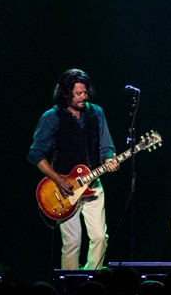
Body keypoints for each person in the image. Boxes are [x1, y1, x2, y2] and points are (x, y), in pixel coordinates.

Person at [27, 68, 119, 270]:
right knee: (72, 243)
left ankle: (90, 280)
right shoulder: (52, 117)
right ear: (65, 93)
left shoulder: (97, 112)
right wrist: (57, 180)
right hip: (64, 189)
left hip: (94, 184)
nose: (83, 97)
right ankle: (69, 288)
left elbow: (106, 146)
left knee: (100, 238)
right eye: (78, 93)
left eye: (85, 92)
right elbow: (36, 154)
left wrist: (110, 159)